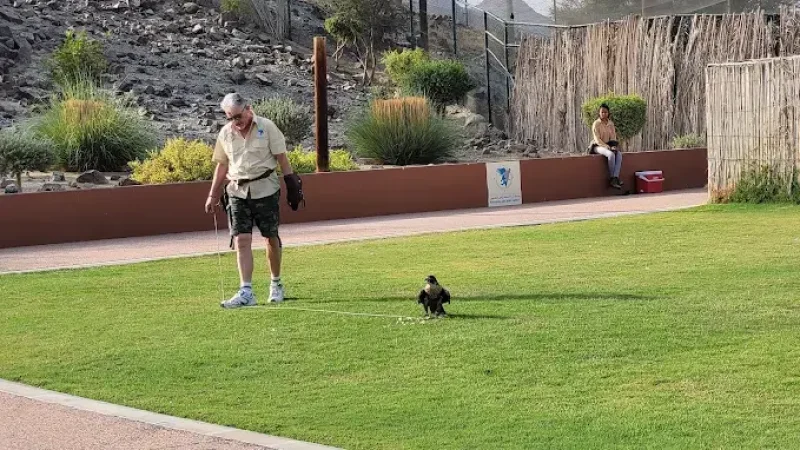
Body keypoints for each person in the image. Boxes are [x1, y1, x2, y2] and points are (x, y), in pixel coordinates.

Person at [205, 93, 302, 308]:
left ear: (248, 109)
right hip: (237, 191)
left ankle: (275, 284)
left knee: (270, 237)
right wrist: (212, 194)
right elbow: (221, 165)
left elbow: (282, 159)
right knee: (241, 239)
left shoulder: (266, 127)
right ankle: (246, 291)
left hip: (265, 189)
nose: (235, 122)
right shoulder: (226, 133)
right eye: (229, 118)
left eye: (237, 117)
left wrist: (291, 184)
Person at [589, 103, 623, 189]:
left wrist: (614, 146)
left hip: (609, 145)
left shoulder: (611, 124)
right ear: (599, 113)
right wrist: (606, 146)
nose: (604, 114)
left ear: (608, 113)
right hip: (597, 146)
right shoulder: (596, 124)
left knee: (618, 154)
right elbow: (597, 139)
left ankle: (615, 178)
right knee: (610, 154)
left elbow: (613, 137)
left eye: (606, 112)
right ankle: (613, 179)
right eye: (602, 112)